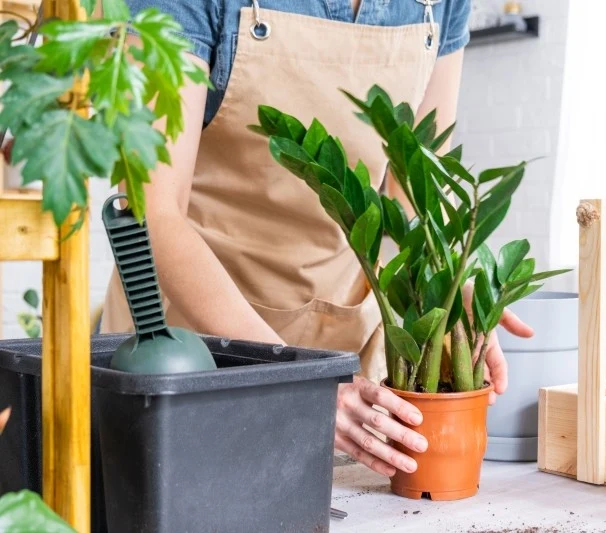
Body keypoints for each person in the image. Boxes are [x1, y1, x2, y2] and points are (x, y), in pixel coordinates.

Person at [99, 0, 534, 478]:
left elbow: (410, 194)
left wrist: (453, 284)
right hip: (189, 361)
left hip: (342, 363)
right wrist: (301, 385)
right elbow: (152, 212)